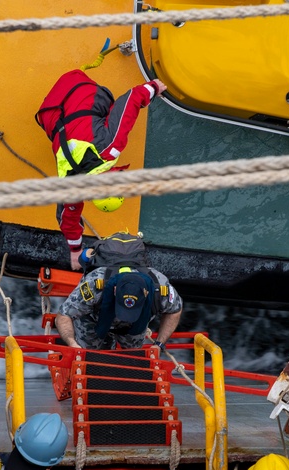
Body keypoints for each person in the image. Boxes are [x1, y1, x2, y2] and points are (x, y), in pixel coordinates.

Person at [35, 68, 167, 270]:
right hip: (48, 111)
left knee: (107, 100)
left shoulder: (109, 146)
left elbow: (130, 100)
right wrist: (75, 252)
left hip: (74, 83)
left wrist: (153, 87)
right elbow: (67, 217)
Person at [54, 265, 182, 351]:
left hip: (136, 324)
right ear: (115, 290)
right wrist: (72, 343)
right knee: (89, 355)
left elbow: (175, 310)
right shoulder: (94, 285)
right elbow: (64, 315)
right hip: (94, 319)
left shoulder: (161, 289)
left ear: (146, 294)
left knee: (133, 358)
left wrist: (159, 344)